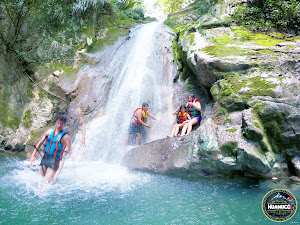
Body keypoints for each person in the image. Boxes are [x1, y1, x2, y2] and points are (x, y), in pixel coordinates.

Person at [29, 115, 75, 183]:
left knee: (46, 184)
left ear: (64, 124)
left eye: (61, 124)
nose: (59, 125)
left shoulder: (65, 137)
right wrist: (33, 155)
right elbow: (40, 142)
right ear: (56, 122)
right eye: (58, 123)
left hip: (54, 162)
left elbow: (70, 151)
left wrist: (73, 166)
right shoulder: (50, 132)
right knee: (38, 182)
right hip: (44, 159)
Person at [53, 105, 86, 182]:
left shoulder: (78, 109)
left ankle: (55, 177)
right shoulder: (70, 109)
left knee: (63, 155)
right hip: (63, 134)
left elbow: (83, 124)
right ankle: (51, 174)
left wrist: (83, 138)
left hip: (68, 136)